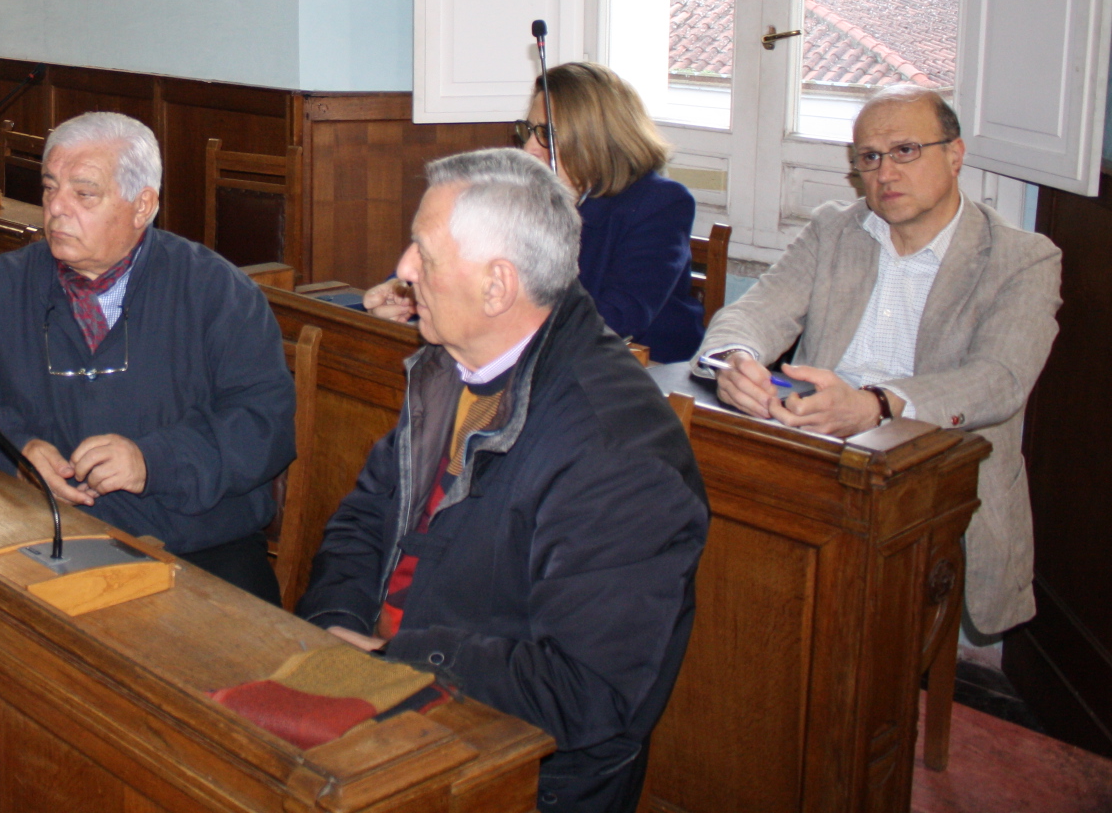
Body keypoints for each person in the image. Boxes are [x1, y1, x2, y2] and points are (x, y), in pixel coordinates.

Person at [299, 149, 707, 813]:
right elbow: (367, 516)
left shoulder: (619, 449)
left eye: (423, 255)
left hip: (515, 767)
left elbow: (586, 691)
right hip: (389, 693)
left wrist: (397, 658)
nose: (402, 271)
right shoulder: (448, 366)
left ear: (497, 286)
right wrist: (334, 625)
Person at [0, 111, 297, 601]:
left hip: (195, 547)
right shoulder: (3, 285)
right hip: (42, 532)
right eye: (49, 188)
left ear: (142, 205)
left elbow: (264, 425)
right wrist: (11, 448)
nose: (56, 208)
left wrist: (153, 460)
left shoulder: (215, 292)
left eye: (83, 194)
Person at [700, 85, 1060, 638]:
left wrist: (876, 407)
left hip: (932, 475)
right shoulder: (833, 229)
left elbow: (1000, 381)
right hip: (817, 459)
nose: (884, 172)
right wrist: (734, 362)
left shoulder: (1021, 258)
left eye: (906, 151)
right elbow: (753, 313)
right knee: (725, 563)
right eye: (868, 157)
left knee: (835, 610)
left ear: (955, 154)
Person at [364, 62, 704, 363]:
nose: (528, 148)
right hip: (538, 362)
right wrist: (407, 290)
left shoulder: (660, 202)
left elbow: (617, 318)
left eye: (545, 135)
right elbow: (459, 258)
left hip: (642, 375)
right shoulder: (529, 192)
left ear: (595, 138)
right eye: (528, 131)